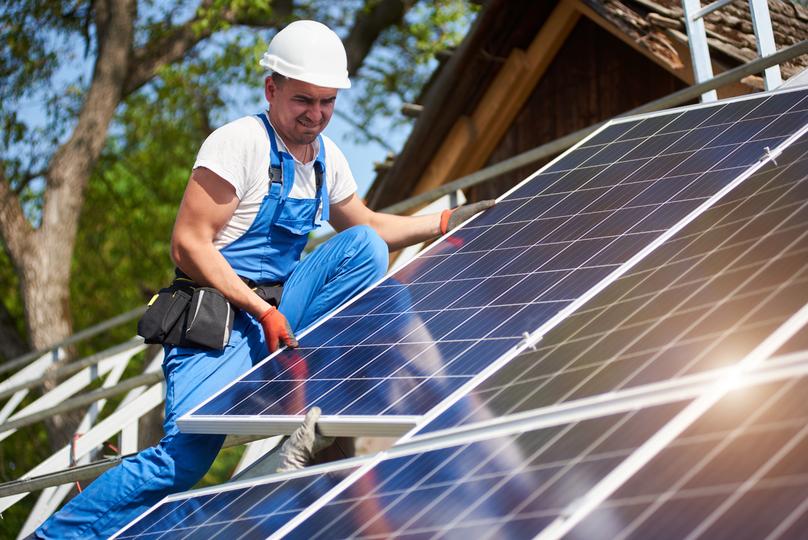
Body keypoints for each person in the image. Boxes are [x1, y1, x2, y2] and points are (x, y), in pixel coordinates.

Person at [34, 20, 493, 539]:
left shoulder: (326, 160)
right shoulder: (238, 144)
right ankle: (57, 536)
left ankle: (329, 376)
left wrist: (441, 223)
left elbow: (367, 225)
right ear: (271, 88)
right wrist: (261, 310)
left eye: (326, 102)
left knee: (363, 248)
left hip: (281, 313)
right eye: (303, 100)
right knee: (181, 463)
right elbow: (188, 245)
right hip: (219, 324)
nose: (315, 114)